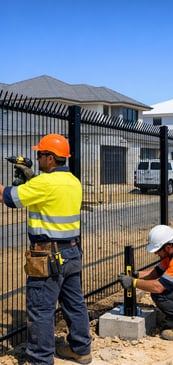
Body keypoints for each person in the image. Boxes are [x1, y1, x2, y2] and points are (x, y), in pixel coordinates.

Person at [0, 134, 91, 365]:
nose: (37, 158)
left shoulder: (44, 183)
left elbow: (8, 197)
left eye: (40, 154)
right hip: (71, 252)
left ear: (50, 158)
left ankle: (40, 360)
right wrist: (31, 179)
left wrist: (27, 182)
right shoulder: (73, 181)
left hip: (47, 256)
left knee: (40, 309)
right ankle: (81, 350)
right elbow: (44, 198)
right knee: (74, 304)